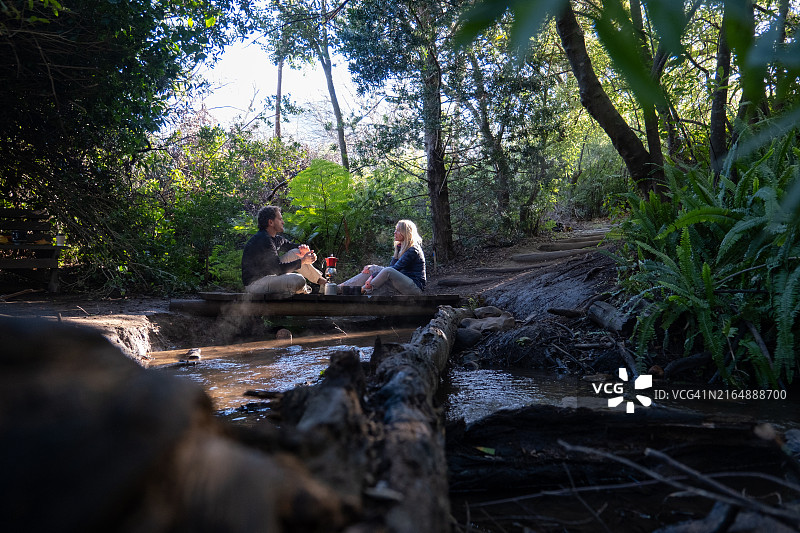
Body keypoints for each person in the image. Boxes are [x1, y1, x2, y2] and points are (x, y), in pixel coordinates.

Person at [241, 205, 327, 297]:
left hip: (270, 275)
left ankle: (324, 284)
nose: (283, 222)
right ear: (271, 222)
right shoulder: (263, 239)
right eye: (280, 219)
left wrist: (305, 250)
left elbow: (293, 247)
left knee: (296, 253)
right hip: (256, 283)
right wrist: (303, 261)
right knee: (298, 280)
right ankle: (306, 290)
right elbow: (278, 269)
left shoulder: (275, 239)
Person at [340, 219, 426, 295]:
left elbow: (394, 269)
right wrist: (373, 270)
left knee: (387, 271)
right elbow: (391, 267)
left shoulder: (413, 250)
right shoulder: (399, 247)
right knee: (373, 268)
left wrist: (372, 277)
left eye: (398, 230)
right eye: (395, 229)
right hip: (402, 283)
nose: (394, 232)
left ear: (406, 233)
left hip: (414, 287)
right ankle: (339, 288)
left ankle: (362, 290)